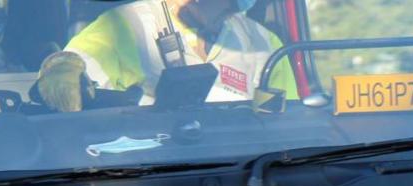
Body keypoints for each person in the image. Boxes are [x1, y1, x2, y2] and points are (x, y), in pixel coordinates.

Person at [36, 0, 297, 112]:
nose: (232, 9)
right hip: (153, 176)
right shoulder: (128, 25)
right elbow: (73, 69)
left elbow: (288, 120)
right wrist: (63, 69)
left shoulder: (262, 43)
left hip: (240, 174)